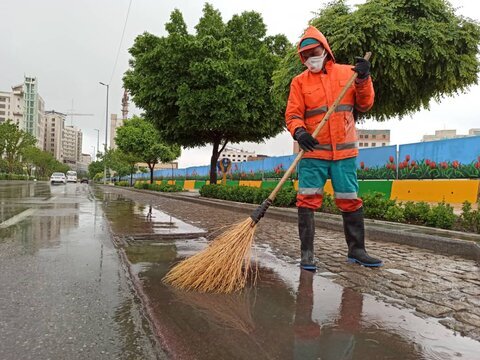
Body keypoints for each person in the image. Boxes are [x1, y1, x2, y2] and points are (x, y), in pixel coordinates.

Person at [285, 26, 383, 270]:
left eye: (314, 52)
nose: (310, 59)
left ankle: (357, 250)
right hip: (313, 154)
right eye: (305, 55)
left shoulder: (347, 74)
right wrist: (299, 132)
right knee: (306, 201)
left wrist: (363, 78)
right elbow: (293, 114)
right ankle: (307, 253)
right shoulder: (299, 82)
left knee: (350, 200)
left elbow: (365, 103)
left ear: (325, 50)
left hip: (344, 155)